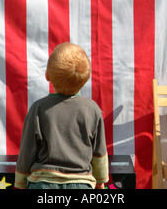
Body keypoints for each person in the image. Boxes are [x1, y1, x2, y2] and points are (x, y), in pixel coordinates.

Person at [14, 42, 109, 189]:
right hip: (81, 184)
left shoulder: (38, 109)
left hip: (42, 184)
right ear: (87, 78)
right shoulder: (93, 110)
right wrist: (101, 181)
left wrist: (20, 182)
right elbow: (99, 152)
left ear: (47, 75)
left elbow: (27, 151)